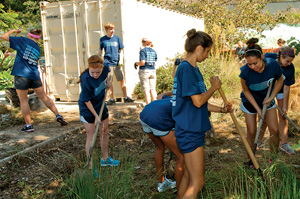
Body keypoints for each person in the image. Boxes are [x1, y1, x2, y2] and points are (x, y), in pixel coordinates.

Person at [172, 29, 232, 198]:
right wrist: (214, 88)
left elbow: (199, 104)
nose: (207, 56)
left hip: (192, 127)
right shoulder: (186, 69)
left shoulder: (193, 69)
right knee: (198, 182)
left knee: (189, 176)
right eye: (207, 51)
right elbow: (198, 101)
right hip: (189, 130)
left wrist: (221, 110)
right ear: (199, 48)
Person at [0, 28, 68, 132]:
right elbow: (25, 58)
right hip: (34, 75)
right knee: (44, 97)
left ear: (29, 35)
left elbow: (3, 36)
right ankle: (58, 115)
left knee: (23, 101)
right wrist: (10, 55)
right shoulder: (37, 48)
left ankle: (29, 125)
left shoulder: (23, 40)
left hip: (21, 75)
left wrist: (13, 31)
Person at [239, 38, 284, 165]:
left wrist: (271, 98)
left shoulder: (272, 65)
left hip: (267, 99)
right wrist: (258, 110)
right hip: (250, 102)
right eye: (249, 64)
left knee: (274, 130)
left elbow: (280, 80)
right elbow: (246, 92)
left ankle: (273, 159)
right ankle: (251, 160)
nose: (253, 66)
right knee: (252, 132)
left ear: (262, 57)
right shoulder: (244, 72)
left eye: (255, 63)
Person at [78, 55, 119, 168]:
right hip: (87, 108)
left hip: (101, 104)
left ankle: (105, 159)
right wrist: (96, 116)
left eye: (98, 72)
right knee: (91, 135)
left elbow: (107, 75)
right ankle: (90, 166)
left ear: (101, 68)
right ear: (89, 69)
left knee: (104, 132)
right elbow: (86, 100)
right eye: (93, 72)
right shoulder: (85, 79)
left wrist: (107, 84)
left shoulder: (105, 68)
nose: (95, 75)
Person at [140, 91, 183, 195]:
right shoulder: (184, 105)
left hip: (144, 115)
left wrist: (173, 91)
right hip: (158, 119)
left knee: (159, 147)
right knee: (181, 157)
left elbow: (159, 96)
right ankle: (181, 191)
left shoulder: (169, 99)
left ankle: (162, 183)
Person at [257, 46, 296, 154]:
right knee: (263, 115)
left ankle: (284, 144)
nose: (289, 63)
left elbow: (287, 88)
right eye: (287, 61)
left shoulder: (290, 67)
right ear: (281, 56)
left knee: (282, 115)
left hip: (280, 91)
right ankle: (258, 140)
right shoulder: (269, 58)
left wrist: (285, 107)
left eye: (290, 61)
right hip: (267, 89)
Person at [99, 22, 134, 105]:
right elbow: (100, 52)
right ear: (106, 30)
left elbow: (121, 51)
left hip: (117, 63)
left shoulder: (117, 39)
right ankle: (111, 99)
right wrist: (100, 62)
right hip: (107, 63)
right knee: (110, 81)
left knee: (121, 80)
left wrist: (120, 61)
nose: (112, 31)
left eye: (113, 29)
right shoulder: (102, 39)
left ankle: (125, 97)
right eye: (110, 29)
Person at [134, 38, 158, 104]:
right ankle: (155, 105)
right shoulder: (154, 51)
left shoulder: (143, 51)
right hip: (152, 70)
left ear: (144, 43)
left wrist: (136, 63)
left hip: (145, 70)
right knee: (153, 89)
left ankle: (148, 106)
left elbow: (142, 62)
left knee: (146, 90)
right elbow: (155, 63)